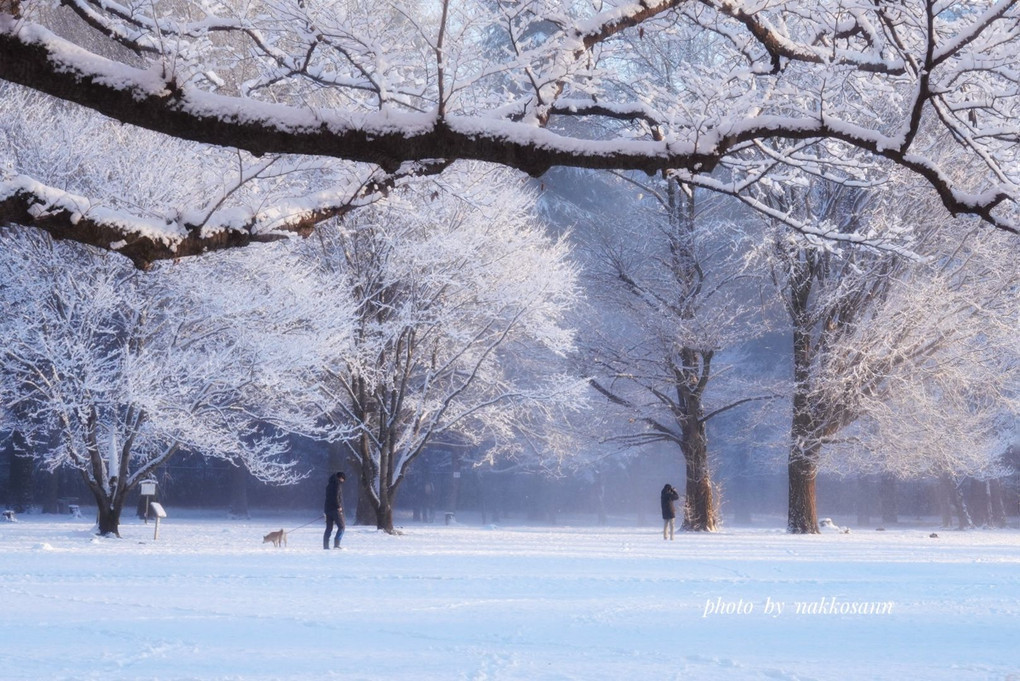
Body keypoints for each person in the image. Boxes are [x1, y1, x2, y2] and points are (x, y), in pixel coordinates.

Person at [323, 471, 346, 550]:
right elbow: (336, 497)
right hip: (335, 509)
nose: (343, 482)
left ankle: (325, 546)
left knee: (329, 528)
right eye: (343, 480)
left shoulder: (329, 485)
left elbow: (329, 497)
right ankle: (336, 544)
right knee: (342, 526)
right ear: (341, 478)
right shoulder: (337, 484)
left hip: (327, 509)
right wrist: (339, 506)